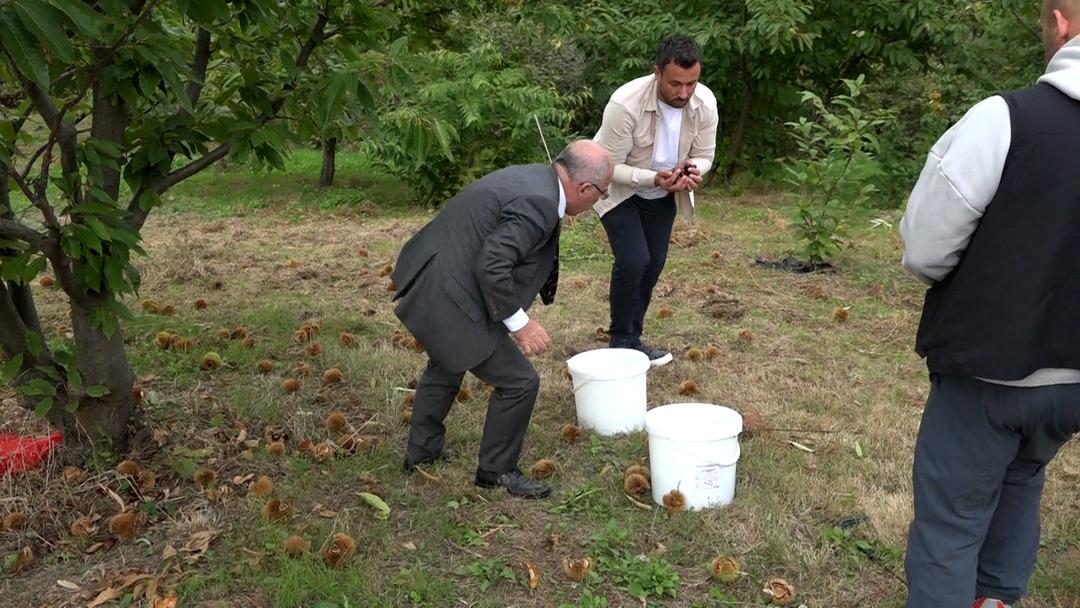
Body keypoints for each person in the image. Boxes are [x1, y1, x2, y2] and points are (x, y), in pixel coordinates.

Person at [899, 2, 1080, 606]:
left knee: (950, 523)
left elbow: (926, 250)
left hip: (989, 372)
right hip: (1072, 386)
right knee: (1022, 477)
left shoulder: (1006, 119)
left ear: (1058, 22)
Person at [391, 140, 614, 499]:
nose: (596, 203)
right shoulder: (540, 202)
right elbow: (492, 264)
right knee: (520, 382)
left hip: (438, 274)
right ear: (585, 188)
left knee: (447, 363)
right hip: (450, 292)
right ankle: (496, 471)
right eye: (602, 194)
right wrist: (519, 323)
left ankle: (422, 451)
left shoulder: (536, 179)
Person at [593, 35, 718, 366]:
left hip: (664, 192)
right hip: (617, 190)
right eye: (675, 83)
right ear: (657, 73)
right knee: (634, 259)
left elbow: (705, 155)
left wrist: (693, 170)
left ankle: (633, 338)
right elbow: (607, 166)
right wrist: (653, 178)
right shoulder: (624, 104)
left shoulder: (705, 103)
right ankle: (621, 343)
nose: (684, 93)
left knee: (653, 265)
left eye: (691, 83)